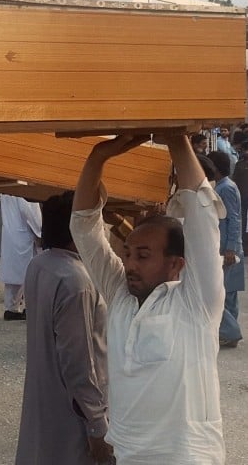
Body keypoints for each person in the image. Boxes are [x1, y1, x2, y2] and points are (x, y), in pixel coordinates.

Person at [71, 134, 226, 464]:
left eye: (143, 255)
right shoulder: (121, 297)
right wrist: (98, 157)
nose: (129, 264)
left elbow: (202, 216)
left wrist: (176, 138)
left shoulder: (197, 302)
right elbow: (84, 229)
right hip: (127, 454)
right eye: (127, 253)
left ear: (176, 264)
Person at [15, 191, 111, 465]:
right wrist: (96, 425)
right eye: (98, 222)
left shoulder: (40, 265)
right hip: (73, 410)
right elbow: (79, 363)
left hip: (47, 395)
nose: (103, 229)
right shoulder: (76, 281)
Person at [205, 151, 244, 348]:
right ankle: (228, 332)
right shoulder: (224, 186)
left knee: (220, 291)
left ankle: (231, 332)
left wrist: (230, 249)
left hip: (227, 248)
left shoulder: (225, 188)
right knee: (229, 293)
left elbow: (234, 219)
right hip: (230, 247)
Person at [0, 195, 41, 321]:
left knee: (13, 274)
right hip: (25, 234)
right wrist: (40, 230)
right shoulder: (24, 185)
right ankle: (31, 309)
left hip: (11, 231)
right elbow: (28, 209)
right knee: (30, 275)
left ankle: (11, 308)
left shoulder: (7, 185)